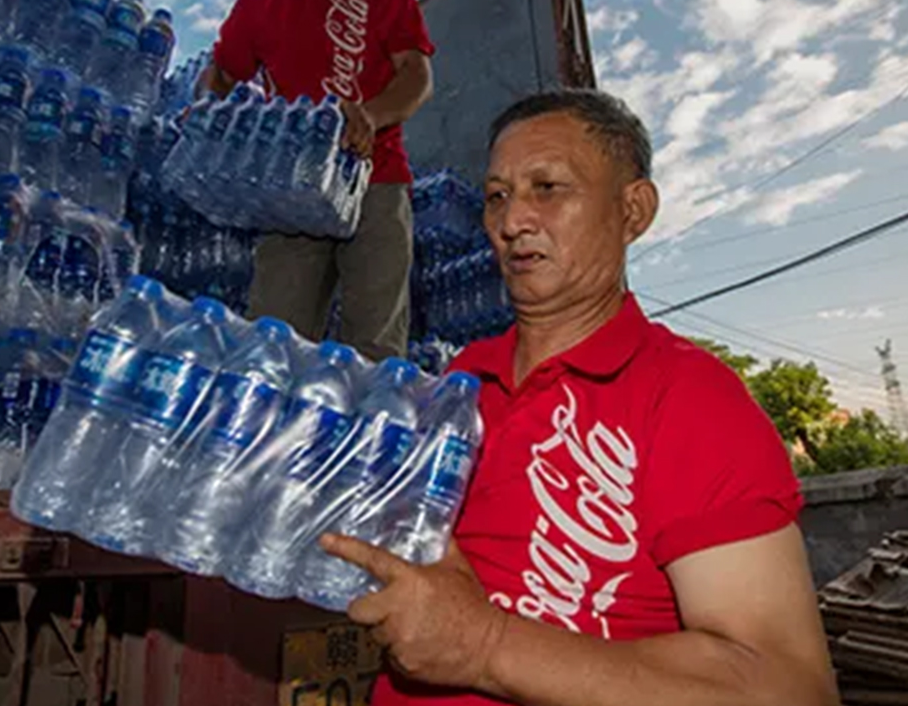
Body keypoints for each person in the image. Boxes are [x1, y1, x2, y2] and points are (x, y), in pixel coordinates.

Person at [321, 90, 841, 706]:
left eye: (548, 187)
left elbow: (788, 687)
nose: (512, 221)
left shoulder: (691, 398)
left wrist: (485, 645)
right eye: (497, 196)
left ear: (633, 209)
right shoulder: (457, 383)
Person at [200, 0, 434, 361]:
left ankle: (367, 431)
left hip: (375, 179)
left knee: (374, 346)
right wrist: (208, 119)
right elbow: (222, 74)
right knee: (271, 340)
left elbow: (417, 74)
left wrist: (370, 114)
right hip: (291, 191)